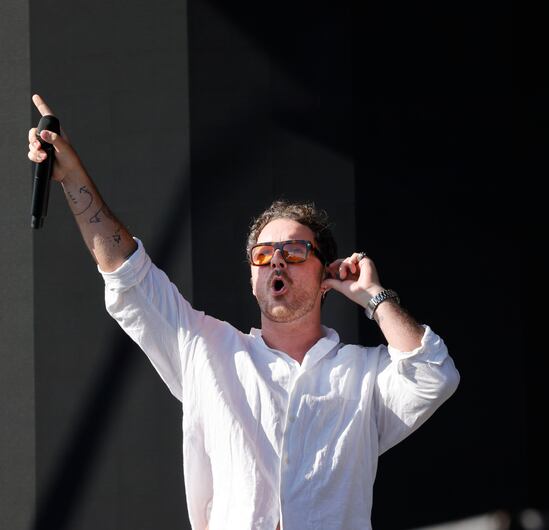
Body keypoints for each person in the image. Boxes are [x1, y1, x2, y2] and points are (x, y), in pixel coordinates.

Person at [27, 94, 459, 530]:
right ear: (252, 278)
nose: (277, 261)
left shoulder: (364, 375)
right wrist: (71, 177)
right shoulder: (206, 349)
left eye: (294, 251)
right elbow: (129, 274)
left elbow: (433, 375)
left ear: (324, 274)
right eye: (263, 254)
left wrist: (372, 296)